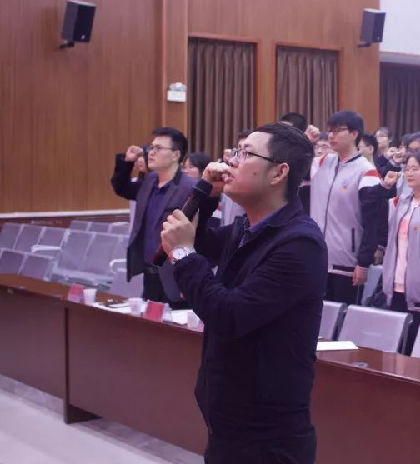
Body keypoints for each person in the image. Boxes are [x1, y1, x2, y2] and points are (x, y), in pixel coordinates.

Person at [160, 123, 325, 464]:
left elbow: (229, 316)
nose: (231, 160)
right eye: (235, 151)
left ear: (279, 172)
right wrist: (206, 191)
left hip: (267, 433)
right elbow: (188, 234)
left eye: (246, 153)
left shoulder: (299, 244)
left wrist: (184, 254)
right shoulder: (246, 228)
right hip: (229, 418)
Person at [374, 152, 420, 351]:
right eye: (407, 169)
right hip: (394, 286)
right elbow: (371, 208)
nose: (409, 173)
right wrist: (385, 186)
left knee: (415, 348)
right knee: (393, 346)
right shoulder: (401, 202)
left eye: (415, 169)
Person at [111, 127, 196, 304]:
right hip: (149, 274)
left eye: (158, 148)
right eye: (151, 147)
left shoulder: (189, 188)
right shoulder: (149, 181)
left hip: (175, 276)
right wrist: (127, 162)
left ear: (175, 155)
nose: (151, 152)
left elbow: (198, 236)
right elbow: (121, 188)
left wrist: (190, 279)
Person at [309, 111, 386, 304]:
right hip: (316, 258)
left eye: (338, 131)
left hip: (347, 262)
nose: (331, 135)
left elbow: (373, 221)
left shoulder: (366, 171)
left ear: (354, 134)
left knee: (343, 317)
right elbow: (292, 167)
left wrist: (364, 262)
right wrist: (306, 142)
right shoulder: (321, 163)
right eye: (330, 131)